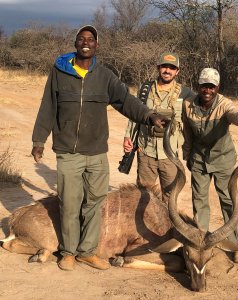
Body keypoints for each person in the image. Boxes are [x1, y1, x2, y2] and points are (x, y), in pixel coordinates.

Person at [31, 25, 167, 271]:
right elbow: (48, 106)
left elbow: (126, 101)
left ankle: (87, 252)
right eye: (81, 38)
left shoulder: (104, 75)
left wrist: (149, 116)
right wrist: (39, 140)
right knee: (70, 203)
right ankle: (69, 252)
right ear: (75, 43)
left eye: (91, 39)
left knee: (95, 203)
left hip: (96, 153)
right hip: (68, 152)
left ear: (96, 45)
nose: (86, 42)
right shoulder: (59, 72)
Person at [182, 68, 238, 263]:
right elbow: (187, 133)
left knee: (228, 200)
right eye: (204, 86)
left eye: (211, 86)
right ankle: (201, 241)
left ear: (217, 87)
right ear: (198, 86)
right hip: (199, 159)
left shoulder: (224, 104)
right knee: (199, 201)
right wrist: (187, 156)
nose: (207, 90)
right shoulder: (188, 104)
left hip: (223, 159)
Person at [123, 52, 194, 204]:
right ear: (158, 68)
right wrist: (128, 136)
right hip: (146, 152)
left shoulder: (186, 93)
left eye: (172, 68)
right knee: (143, 197)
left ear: (177, 71)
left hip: (170, 155)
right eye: (164, 67)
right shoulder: (144, 88)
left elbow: (196, 117)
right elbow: (135, 113)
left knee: (170, 199)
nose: (167, 71)